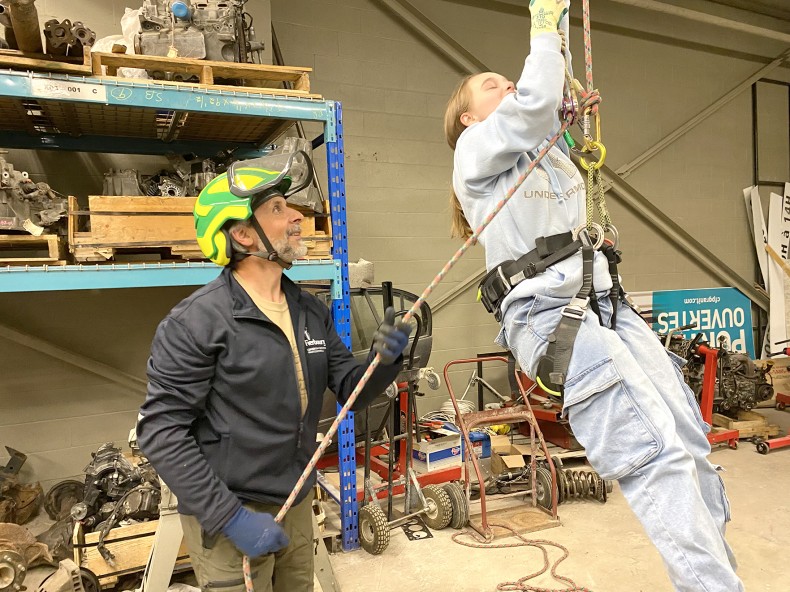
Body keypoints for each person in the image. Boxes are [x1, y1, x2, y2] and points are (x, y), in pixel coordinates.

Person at [443, 2, 744, 591]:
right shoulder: (474, 156)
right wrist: (543, 31)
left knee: (688, 442)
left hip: (607, 307)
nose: (505, 83)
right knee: (655, 453)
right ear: (468, 121)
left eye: (509, 79)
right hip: (550, 316)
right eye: (490, 85)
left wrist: (567, 105)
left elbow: (540, 114)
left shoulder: (547, 152)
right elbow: (529, 109)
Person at [137, 153, 411, 592]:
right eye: (278, 209)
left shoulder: (307, 309)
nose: (297, 217)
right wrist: (230, 517)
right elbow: (161, 433)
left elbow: (351, 392)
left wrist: (385, 362)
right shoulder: (196, 322)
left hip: (296, 501)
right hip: (230, 513)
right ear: (244, 234)